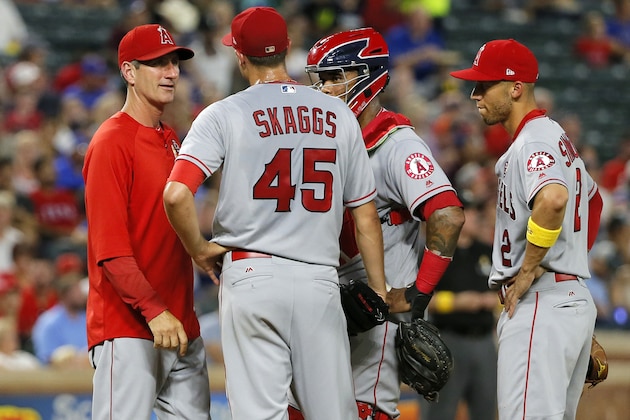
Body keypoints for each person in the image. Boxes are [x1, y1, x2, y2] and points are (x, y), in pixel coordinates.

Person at [162, 7, 388, 420]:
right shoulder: (338, 114)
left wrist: (198, 248)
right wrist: (378, 289)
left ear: (240, 57)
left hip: (252, 275)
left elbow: (177, 194)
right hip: (319, 280)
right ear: (287, 50)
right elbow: (365, 215)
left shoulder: (223, 112)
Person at [296, 27, 464, 419]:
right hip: (326, 304)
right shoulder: (331, 137)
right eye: (321, 78)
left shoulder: (396, 144)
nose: (325, 87)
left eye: (337, 77)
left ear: (368, 77)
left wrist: (419, 293)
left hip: (374, 312)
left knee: (365, 411)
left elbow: (447, 214)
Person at [450, 38, 604, 420]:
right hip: (564, 298)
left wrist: (530, 269)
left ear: (516, 87)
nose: (474, 95)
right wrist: (571, 275)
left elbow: (553, 199)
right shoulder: (556, 140)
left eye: (484, 85)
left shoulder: (533, 141)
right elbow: (594, 203)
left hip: (541, 299)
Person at [82, 24, 211, 419]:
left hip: (181, 325)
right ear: (129, 72)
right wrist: (154, 310)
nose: (171, 72)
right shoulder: (111, 141)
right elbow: (111, 251)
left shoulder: (170, 137)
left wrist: (205, 252)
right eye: (157, 63)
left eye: (173, 62)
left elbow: (168, 227)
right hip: (129, 325)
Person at [419, 199, 498, 420]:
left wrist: (494, 301)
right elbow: (419, 298)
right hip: (448, 339)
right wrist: (456, 302)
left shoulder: (488, 252)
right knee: (441, 410)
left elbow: (506, 291)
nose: (474, 218)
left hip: (484, 340)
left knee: (486, 409)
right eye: (469, 213)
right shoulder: (437, 253)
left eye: (475, 213)